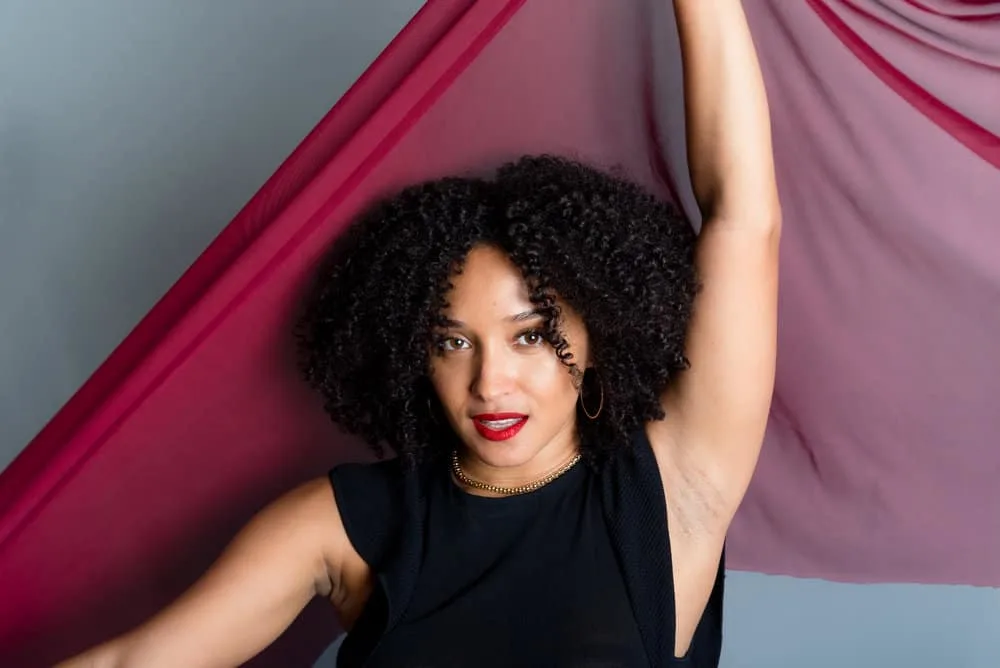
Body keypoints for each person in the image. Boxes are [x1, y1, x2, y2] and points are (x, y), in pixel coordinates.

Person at [58, 0, 779, 666]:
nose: (489, 382)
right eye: (452, 341)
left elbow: (744, 221)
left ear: (596, 338)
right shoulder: (344, 523)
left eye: (529, 336)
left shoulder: (669, 491)